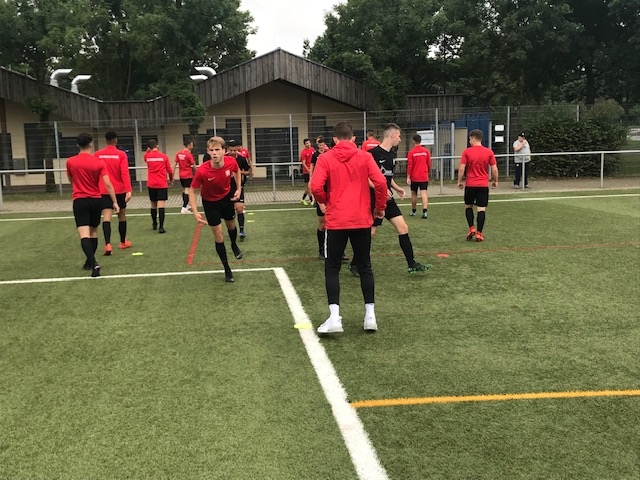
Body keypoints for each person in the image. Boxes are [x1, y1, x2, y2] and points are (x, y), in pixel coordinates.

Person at [310, 122, 387, 334]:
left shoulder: (326, 158)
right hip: (361, 219)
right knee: (365, 266)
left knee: (332, 268)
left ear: (334, 139)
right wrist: (380, 208)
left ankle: (335, 317)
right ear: (353, 138)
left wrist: (325, 200)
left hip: (337, 220)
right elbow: (381, 182)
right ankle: (370, 316)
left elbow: (315, 186)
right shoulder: (365, 156)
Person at [351, 123, 430, 276]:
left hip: (388, 198)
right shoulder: (372, 154)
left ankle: (412, 264)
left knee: (403, 228)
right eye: (399, 136)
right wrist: (379, 188)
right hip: (374, 199)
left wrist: (397, 188)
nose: (400, 139)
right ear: (392, 135)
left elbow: (387, 177)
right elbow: (364, 177)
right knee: (370, 233)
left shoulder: (392, 154)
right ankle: (355, 264)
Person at [188, 136, 243, 282]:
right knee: (218, 235)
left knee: (231, 225)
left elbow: (237, 171)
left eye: (217, 150)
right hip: (210, 203)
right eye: (211, 150)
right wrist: (195, 212)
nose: (214, 153)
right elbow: (192, 191)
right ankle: (227, 269)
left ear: (224, 151)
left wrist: (238, 188)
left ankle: (234, 244)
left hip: (226, 198)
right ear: (207, 151)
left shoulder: (231, 162)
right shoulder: (202, 171)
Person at [66, 132, 120, 277]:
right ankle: (89, 262)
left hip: (80, 200)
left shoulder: (70, 161)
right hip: (96, 200)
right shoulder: (98, 162)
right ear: (90, 144)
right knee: (93, 232)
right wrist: (114, 201)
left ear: (77, 145)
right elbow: (107, 184)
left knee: (84, 234)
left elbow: (71, 180)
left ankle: (93, 263)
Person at [457, 129, 499, 242]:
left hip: (470, 184)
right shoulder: (489, 152)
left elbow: (461, 168)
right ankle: (479, 233)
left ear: (474, 139)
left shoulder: (467, 152)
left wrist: (459, 181)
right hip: (483, 185)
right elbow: (494, 169)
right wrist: (495, 180)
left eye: (470, 139)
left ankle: (471, 228)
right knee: (481, 209)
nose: (469, 141)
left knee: (468, 206)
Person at [95, 131, 132, 255]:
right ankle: (123, 242)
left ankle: (108, 244)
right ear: (116, 140)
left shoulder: (97, 154)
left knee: (106, 217)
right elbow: (124, 173)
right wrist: (128, 189)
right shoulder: (121, 154)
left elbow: (95, 172)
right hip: (119, 190)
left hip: (103, 190)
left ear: (106, 140)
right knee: (121, 215)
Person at [144, 139, 173, 233]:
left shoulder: (147, 156)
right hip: (161, 183)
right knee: (161, 205)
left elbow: (145, 157)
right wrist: (171, 179)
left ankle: (154, 223)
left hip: (151, 183)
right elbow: (169, 170)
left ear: (149, 147)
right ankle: (161, 227)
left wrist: (148, 150)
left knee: (153, 204)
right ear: (157, 145)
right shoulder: (164, 156)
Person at [226, 139, 251, 240]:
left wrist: (239, 173)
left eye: (234, 150)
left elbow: (248, 171)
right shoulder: (224, 158)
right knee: (229, 211)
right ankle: (232, 230)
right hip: (226, 187)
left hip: (238, 187)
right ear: (227, 149)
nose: (232, 152)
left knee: (239, 208)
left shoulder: (241, 159)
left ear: (237, 149)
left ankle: (241, 230)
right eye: (231, 150)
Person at [309, 136, 330, 259]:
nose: (321, 146)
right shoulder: (316, 155)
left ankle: (336, 250)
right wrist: (311, 178)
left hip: (331, 196)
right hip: (321, 194)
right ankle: (321, 250)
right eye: (320, 145)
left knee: (335, 224)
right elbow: (312, 167)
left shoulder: (328, 155)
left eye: (323, 144)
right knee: (322, 223)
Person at [406, 133, 431, 219]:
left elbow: (410, 165)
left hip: (414, 177)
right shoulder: (426, 151)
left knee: (414, 194)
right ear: (420, 141)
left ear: (413, 141)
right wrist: (427, 172)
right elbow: (429, 164)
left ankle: (413, 211)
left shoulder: (411, 152)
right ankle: (425, 211)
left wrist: (408, 176)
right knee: (424, 193)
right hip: (424, 176)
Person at [174, 138, 196, 214]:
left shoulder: (179, 153)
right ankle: (184, 207)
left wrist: (172, 174)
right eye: (192, 145)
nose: (192, 146)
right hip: (188, 175)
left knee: (184, 190)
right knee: (188, 190)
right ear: (188, 145)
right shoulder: (188, 154)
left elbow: (175, 164)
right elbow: (194, 165)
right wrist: (197, 172)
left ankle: (187, 205)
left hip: (181, 175)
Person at [299, 138, 315, 205]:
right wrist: (308, 170)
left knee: (309, 187)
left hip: (313, 170)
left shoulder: (312, 149)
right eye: (307, 143)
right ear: (304, 144)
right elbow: (303, 163)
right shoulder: (303, 152)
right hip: (306, 171)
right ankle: (311, 200)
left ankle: (303, 199)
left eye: (309, 143)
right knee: (309, 186)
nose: (308, 144)